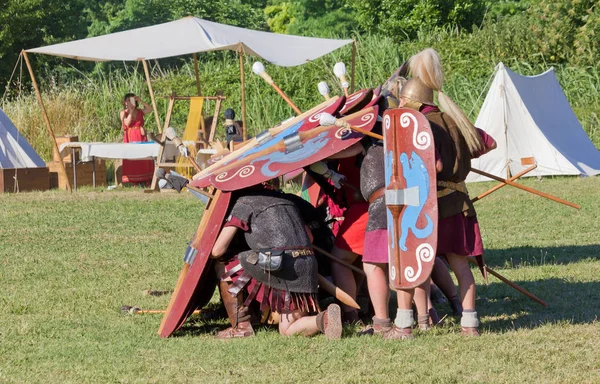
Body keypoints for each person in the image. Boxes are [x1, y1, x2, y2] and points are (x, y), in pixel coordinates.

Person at [399, 48, 497, 336]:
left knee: (415, 267)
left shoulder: (421, 123)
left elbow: (435, 165)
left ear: (412, 102)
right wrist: (462, 158)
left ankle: (412, 323)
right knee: (460, 266)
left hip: (428, 207)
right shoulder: (454, 118)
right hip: (459, 204)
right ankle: (470, 323)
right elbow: (487, 143)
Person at [210, 184, 342, 340]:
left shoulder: (243, 204)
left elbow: (218, 250)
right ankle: (324, 319)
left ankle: (242, 327)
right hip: (307, 263)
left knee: (223, 263)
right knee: (288, 327)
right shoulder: (287, 201)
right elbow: (310, 238)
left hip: (279, 265)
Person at [119, 93, 154, 185]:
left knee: (143, 156)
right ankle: (133, 180)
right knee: (132, 157)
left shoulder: (139, 111)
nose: (129, 102)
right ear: (125, 102)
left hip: (140, 135)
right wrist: (130, 111)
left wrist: (140, 100)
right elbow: (127, 123)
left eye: (131, 100)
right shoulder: (123, 112)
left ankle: (145, 179)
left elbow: (150, 109)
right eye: (128, 100)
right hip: (130, 136)